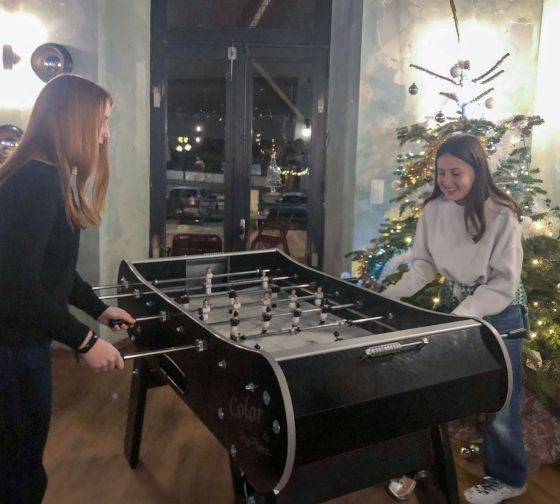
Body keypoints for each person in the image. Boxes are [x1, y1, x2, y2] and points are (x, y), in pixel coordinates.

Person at [0, 74, 135, 504]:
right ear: (73, 120)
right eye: (102, 121)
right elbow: (15, 284)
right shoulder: (36, 182)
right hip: (10, 351)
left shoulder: (43, 176)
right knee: (18, 470)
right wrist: (84, 340)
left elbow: (50, 271)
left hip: (23, 345)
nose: (106, 134)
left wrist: (97, 310)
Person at [382, 134, 527, 504]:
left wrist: (463, 316)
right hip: (458, 308)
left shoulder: (501, 214)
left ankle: (509, 479)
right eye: (441, 172)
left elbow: (502, 283)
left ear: (477, 171)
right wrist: (390, 296)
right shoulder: (434, 210)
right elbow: (424, 264)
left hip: (500, 312)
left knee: (499, 402)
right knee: (432, 391)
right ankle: (419, 467)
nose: (446, 181)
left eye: (456, 173)